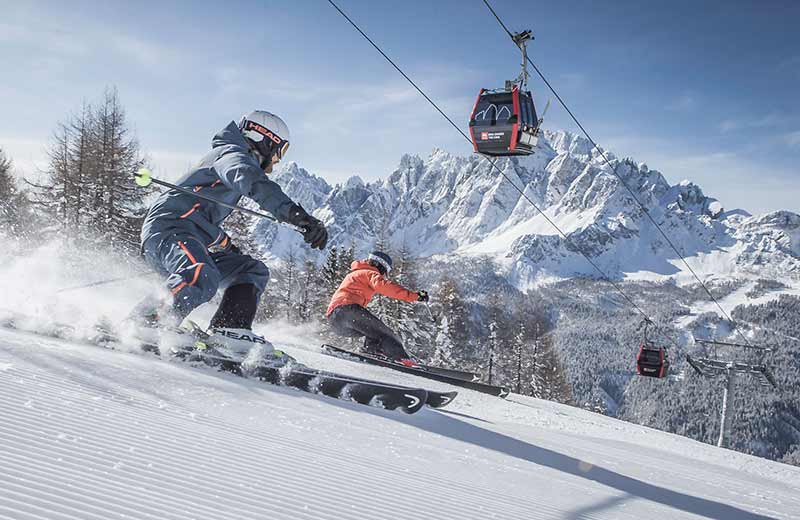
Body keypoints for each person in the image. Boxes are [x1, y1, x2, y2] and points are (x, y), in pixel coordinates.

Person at [132, 110, 327, 362]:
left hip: (187, 234)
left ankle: (230, 330)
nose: (278, 160)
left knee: (251, 270)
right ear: (265, 139)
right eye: (280, 150)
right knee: (201, 272)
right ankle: (147, 321)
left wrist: (225, 244)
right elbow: (253, 182)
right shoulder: (232, 155)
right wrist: (295, 215)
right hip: (168, 230)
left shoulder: (231, 157)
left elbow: (200, 215)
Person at [326, 251, 429, 363]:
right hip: (347, 310)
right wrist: (415, 296)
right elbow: (386, 287)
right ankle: (402, 359)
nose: (384, 275)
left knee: (374, 332)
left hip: (335, 320)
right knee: (386, 334)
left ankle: (372, 351)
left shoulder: (356, 273)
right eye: (385, 271)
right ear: (380, 265)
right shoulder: (369, 273)